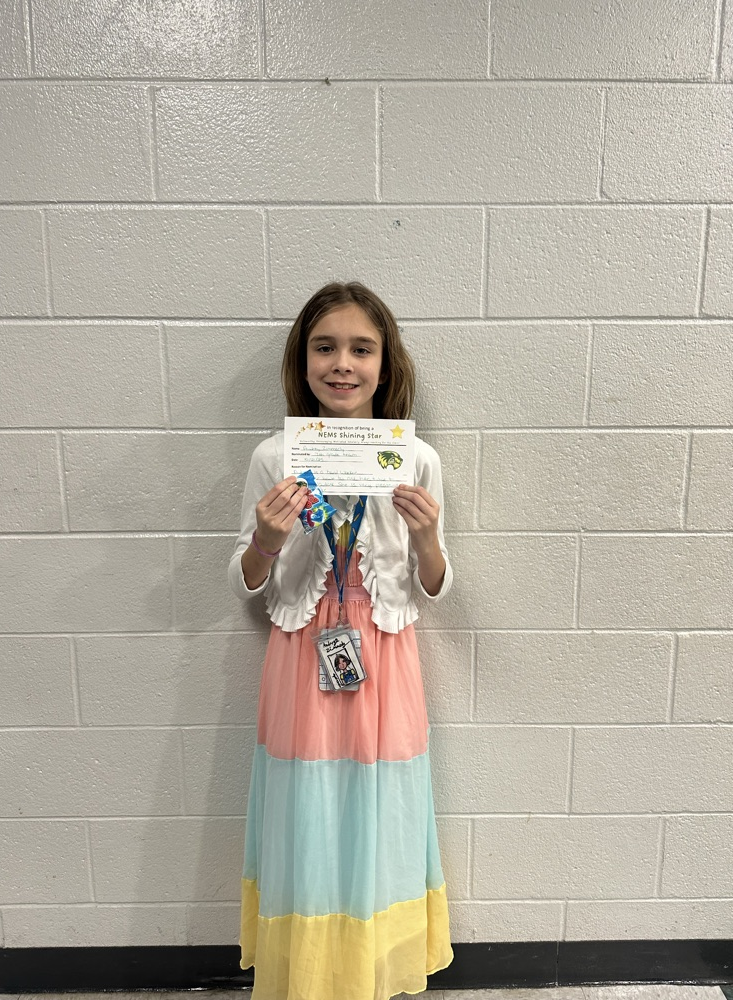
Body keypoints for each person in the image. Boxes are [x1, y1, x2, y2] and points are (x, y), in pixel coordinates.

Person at [228, 280, 454, 1000]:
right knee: (307, 814)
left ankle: (372, 975)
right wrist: (264, 540)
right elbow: (247, 584)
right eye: (325, 347)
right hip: (303, 653)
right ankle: (311, 977)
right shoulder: (274, 456)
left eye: (362, 348)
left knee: (383, 810)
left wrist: (425, 539)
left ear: (386, 365)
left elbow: (438, 584)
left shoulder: (415, 457)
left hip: (386, 654)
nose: (343, 364)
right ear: (303, 362)